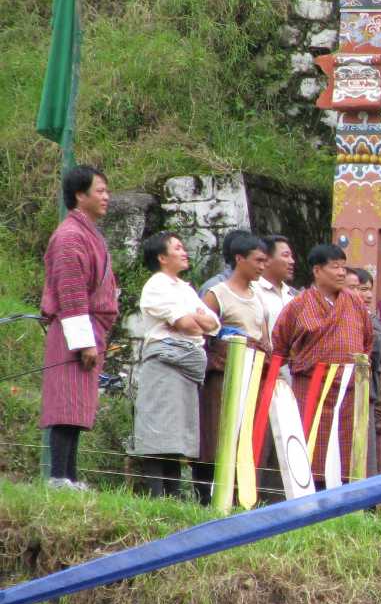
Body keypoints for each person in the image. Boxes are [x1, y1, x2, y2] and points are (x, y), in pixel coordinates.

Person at [40, 165, 120, 491]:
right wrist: (84, 342)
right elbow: (71, 293)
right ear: (79, 195)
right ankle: (59, 476)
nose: (106, 197)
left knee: (77, 408)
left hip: (89, 330)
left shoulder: (88, 233)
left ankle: (69, 476)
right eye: (99, 190)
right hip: (74, 331)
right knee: (66, 405)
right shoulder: (70, 235)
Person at [271, 244, 374, 489]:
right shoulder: (298, 306)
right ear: (317, 271)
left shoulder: (355, 303)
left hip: (349, 391)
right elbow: (279, 347)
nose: (341, 272)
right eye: (334, 266)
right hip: (312, 390)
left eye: (343, 266)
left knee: (349, 453)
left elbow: (367, 342)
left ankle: (350, 507)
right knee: (312, 449)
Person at [133, 233, 219, 498]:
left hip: (187, 364)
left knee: (177, 434)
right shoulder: (156, 285)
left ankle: (174, 494)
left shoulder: (185, 288)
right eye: (178, 248)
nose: (184, 252)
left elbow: (213, 324)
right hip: (165, 362)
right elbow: (187, 324)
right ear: (162, 257)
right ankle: (157, 495)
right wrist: (194, 320)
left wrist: (193, 320)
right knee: (159, 430)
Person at [195, 233, 271, 504]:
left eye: (265, 261)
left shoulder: (258, 297)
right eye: (258, 261)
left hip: (253, 374)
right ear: (240, 259)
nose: (263, 267)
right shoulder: (218, 294)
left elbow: (264, 337)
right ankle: (207, 497)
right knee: (217, 432)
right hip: (224, 374)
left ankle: (242, 497)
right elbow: (200, 334)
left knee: (245, 436)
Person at [346, 268, 381, 476]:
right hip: (344, 390)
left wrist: (379, 387)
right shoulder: (340, 319)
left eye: (369, 290)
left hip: (371, 392)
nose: (367, 295)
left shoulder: (377, 325)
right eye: (360, 289)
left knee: (374, 449)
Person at [253, 234, 298, 339]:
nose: (292, 261)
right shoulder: (252, 291)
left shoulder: (293, 295)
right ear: (266, 260)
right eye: (286, 255)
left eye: (291, 256)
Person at [200, 229, 254, 296]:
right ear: (239, 258)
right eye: (258, 259)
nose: (262, 266)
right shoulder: (213, 288)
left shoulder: (258, 286)